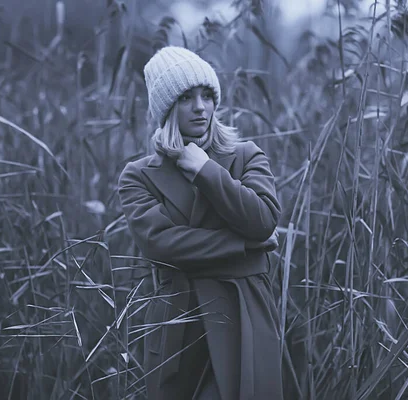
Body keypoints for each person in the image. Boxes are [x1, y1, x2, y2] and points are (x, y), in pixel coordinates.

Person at [117, 46, 283, 400]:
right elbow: (162, 245)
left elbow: (263, 221)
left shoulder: (246, 155)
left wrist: (206, 170)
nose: (200, 107)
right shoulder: (138, 176)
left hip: (243, 317)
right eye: (186, 97)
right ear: (166, 106)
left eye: (207, 95)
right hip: (178, 324)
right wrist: (243, 247)